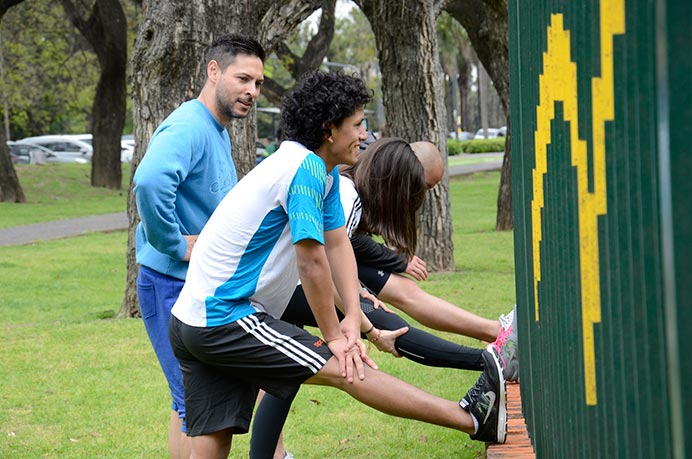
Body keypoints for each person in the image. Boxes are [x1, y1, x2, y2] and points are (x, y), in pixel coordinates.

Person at [168, 70, 507, 458]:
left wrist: (360, 325)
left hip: (192, 319)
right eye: (358, 124)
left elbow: (337, 248)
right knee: (348, 368)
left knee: (214, 442)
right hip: (224, 317)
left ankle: (475, 415)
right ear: (330, 129)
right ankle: (474, 419)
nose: (365, 135)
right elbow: (311, 262)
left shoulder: (322, 172)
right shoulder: (305, 171)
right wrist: (336, 337)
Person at [250, 137, 517, 459]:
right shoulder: (345, 195)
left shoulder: (345, 189)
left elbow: (338, 257)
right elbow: (318, 263)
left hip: (277, 286)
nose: (361, 136)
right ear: (397, 187)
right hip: (282, 287)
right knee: (381, 329)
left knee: (286, 371)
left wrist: (359, 296)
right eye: (418, 191)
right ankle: (491, 362)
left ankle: (268, 456)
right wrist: (365, 323)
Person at [132, 34, 265, 459]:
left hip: (197, 287)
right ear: (213, 71)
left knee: (189, 401)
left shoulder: (218, 130)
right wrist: (174, 243)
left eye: (258, 83)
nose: (252, 91)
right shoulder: (188, 125)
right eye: (243, 78)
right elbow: (150, 182)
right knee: (201, 404)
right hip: (169, 282)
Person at [344, 138, 519, 381]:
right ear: (403, 180)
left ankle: (498, 335)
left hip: (308, 276)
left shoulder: (360, 187)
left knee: (404, 294)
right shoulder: (347, 193)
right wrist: (368, 324)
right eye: (424, 187)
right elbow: (337, 246)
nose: (421, 197)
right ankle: (496, 362)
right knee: (387, 325)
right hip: (298, 282)